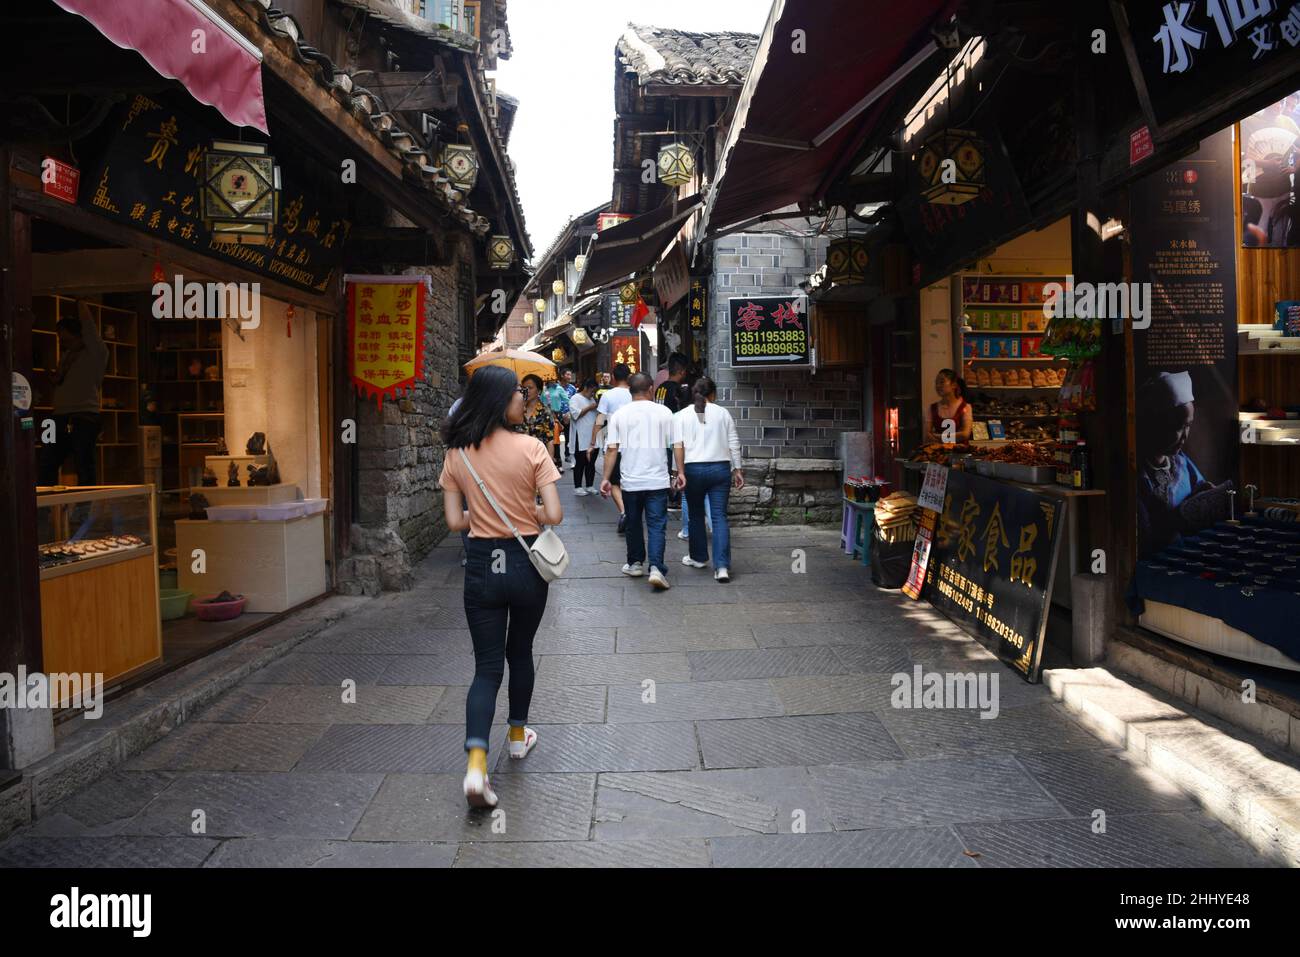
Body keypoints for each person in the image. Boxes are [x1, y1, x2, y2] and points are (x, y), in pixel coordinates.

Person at [439, 365, 563, 809]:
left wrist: (485, 517)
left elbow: (455, 522)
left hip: (480, 568)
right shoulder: (531, 447)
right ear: (498, 400)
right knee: (521, 652)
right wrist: (522, 511)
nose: (522, 400)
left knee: (486, 667)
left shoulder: (457, 454)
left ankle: (476, 766)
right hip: (525, 564)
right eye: (516, 393)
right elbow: (553, 514)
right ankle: (516, 737)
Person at [1136, 371, 1232, 558]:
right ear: (1156, 423)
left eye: (1188, 425)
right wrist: (1176, 520)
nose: (1185, 435)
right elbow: (1144, 537)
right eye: (1178, 427)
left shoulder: (1181, 462)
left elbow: (1201, 491)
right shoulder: (1138, 474)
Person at [601, 371, 674, 590]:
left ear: (630, 391)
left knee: (633, 522)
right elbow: (675, 445)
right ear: (651, 388)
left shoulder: (620, 415)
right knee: (657, 525)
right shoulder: (664, 412)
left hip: (630, 481)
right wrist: (678, 472)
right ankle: (657, 568)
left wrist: (605, 478)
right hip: (658, 480)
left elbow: (612, 449)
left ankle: (634, 563)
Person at [673, 376, 743, 582]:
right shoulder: (723, 413)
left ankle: (698, 557)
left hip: (693, 470)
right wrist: (737, 469)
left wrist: (679, 472)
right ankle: (721, 567)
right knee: (719, 516)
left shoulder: (682, 415)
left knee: (695, 515)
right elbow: (733, 442)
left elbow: (678, 446)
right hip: (720, 469)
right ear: (713, 394)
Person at [39, 301, 108, 486]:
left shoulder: (95, 352)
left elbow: (90, 327)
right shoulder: (67, 356)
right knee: (46, 462)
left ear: (80, 336)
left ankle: (83, 511)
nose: (62, 343)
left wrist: (81, 301)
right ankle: (43, 510)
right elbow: (61, 381)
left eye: (66, 339)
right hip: (58, 416)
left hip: (83, 415)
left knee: (83, 465)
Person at [593, 364, 633, 534]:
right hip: (634, 444)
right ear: (629, 376)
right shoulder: (636, 394)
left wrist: (592, 441)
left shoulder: (607, 395)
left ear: (614, 378)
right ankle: (630, 512)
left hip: (614, 442)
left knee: (614, 481)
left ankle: (624, 511)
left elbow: (600, 420)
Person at [655, 353, 689, 511]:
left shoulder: (660, 388)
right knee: (675, 466)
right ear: (681, 371)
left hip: (660, 433)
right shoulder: (677, 390)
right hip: (673, 435)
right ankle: (674, 497)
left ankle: (669, 496)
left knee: (666, 465)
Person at [568, 377, 600, 495]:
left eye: (594, 392)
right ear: (586, 388)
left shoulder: (592, 400)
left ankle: (590, 485)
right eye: (592, 391)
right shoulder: (575, 398)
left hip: (592, 436)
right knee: (580, 462)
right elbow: (576, 414)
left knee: (591, 462)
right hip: (580, 435)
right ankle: (577, 486)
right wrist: (589, 407)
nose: (593, 394)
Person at [927, 369, 973, 445]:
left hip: (961, 453)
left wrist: (940, 436)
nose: (938, 386)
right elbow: (928, 435)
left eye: (942, 382)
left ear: (954, 385)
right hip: (940, 454)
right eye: (936, 382)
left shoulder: (965, 407)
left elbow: (965, 434)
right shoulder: (932, 408)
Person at [517, 374, 557, 451]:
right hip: (520, 454)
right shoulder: (517, 409)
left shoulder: (545, 411)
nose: (526, 390)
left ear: (539, 391)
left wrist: (549, 461)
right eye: (524, 388)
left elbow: (550, 440)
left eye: (530, 388)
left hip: (538, 455)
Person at [543, 377, 570, 469]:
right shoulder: (543, 389)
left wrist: (567, 412)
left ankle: (558, 463)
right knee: (545, 439)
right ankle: (548, 463)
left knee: (555, 439)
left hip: (555, 415)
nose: (550, 378)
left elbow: (567, 400)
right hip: (544, 415)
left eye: (552, 377)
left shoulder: (559, 388)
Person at [562, 370, 578, 467]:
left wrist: (570, 413)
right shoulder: (556, 387)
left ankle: (569, 455)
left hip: (568, 415)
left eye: (570, 374)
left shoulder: (572, 388)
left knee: (569, 436)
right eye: (567, 374)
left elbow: (575, 401)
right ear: (562, 375)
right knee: (555, 439)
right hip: (557, 415)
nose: (569, 376)